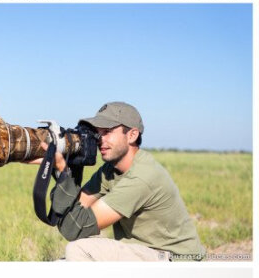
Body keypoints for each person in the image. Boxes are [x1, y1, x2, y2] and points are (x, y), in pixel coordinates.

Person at [49, 100, 204, 260]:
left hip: (177, 261)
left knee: (78, 250)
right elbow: (70, 214)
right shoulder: (110, 170)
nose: (99, 140)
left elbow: (75, 228)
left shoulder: (143, 176)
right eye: (98, 132)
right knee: (60, 266)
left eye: (107, 131)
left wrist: (64, 172)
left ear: (132, 135)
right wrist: (69, 164)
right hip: (145, 254)